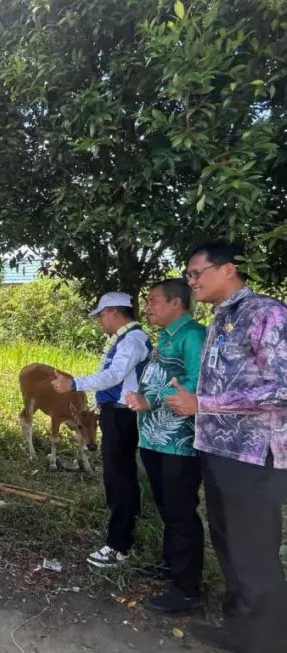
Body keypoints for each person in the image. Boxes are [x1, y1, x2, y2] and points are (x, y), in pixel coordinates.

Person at [167, 241, 287, 653]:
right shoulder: (220, 319)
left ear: (228, 270)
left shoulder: (266, 313)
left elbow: (282, 388)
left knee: (254, 553)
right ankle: (241, 630)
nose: (190, 281)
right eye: (188, 275)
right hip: (218, 449)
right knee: (230, 545)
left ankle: (268, 641)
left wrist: (204, 403)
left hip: (254, 457)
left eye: (196, 273)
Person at [124, 279, 206, 614]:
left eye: (154, 300)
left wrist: (151, 401)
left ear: (176, 303)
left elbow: (196, 382)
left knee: (181, 511)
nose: (148, 307)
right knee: (167, 509)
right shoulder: (165, 337)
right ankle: (171, 567)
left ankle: (187, 590)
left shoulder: (193, 336)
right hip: (156, 439)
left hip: (180, 442)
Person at [52, 292, 151, 568]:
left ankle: (118, 546)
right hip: (117, 414)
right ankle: (126, 532)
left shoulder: (131, 340)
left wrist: (74, 384)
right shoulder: (127, 338)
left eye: (101, 315)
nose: (99, 321)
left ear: (115, 313)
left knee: (117, 478)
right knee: (123, 476)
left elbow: (113, 376)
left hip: (121, 416)